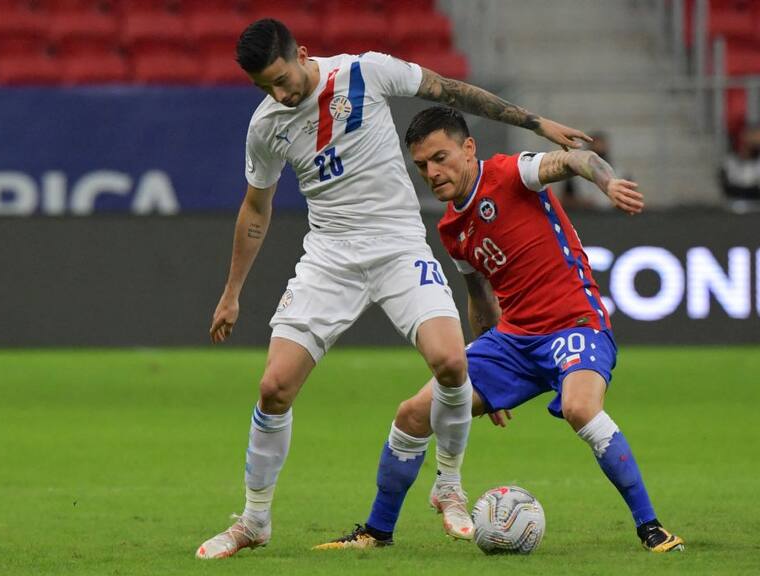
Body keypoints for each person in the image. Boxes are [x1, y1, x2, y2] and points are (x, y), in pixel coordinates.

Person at [196, 19, 592, 560]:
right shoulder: (265, 126)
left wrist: (535, 122)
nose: (279, 93)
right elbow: (256, 208)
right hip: (329, 257)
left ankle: (449, 485)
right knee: (273, 388)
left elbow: (452, 93)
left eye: (282, 79)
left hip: (398, 245)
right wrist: (232, 291)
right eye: (265, 86)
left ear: (303, 54)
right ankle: (254, 520)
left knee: (452, 363)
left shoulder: (366, 72)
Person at [315, 107, 684, 553]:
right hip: (511, 343)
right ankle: (377, 531)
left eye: (440, 158)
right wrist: (483, 378)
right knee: (412, 413)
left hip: (575, 325)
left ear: (469, 149)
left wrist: (606, 182)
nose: (432, 173)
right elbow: (480, 297)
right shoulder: (452, 229)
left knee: (579, 408)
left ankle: (651, 528)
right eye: (422, 165)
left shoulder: (512, 173)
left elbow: (571, 161)